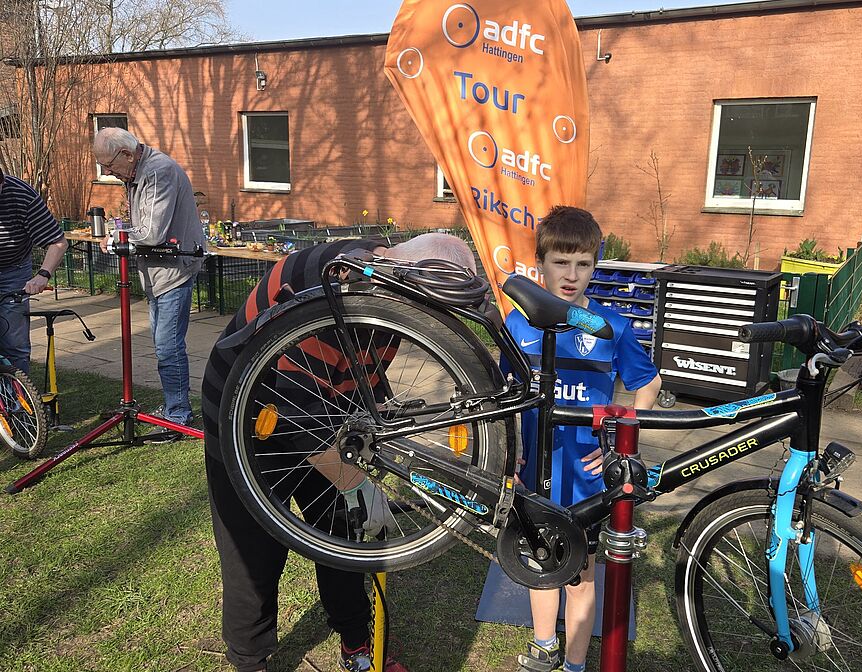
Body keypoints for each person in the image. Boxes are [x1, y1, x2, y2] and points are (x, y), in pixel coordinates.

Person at [202, 233, 477, 672]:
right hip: (245, 416)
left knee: (345, 538)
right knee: (252, 556)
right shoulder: (324, 287)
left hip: (318, 411)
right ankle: (250, 660)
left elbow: (363, 374)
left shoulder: (389, 295)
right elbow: (299, 411)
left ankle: (357, 643)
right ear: (399, 274)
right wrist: (356, 484)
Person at [504, 206, 661, 672]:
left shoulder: (612, 328)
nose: (571, 276)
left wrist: (620, 441)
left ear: (595, 265)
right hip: (536, 470)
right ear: (540, 264)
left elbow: (647, 384)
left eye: (584, 264)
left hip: (589, 476)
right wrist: (509, 453)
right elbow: (504, 398)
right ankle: (543, 646)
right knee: (540, 562)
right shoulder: (518, 326)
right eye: (560, 262)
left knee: (581, 573)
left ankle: (574, 661)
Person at [91, 128, 206, 434]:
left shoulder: (157, 171)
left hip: (173, 270)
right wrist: (123, 233)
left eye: (110, 166)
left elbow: (153, 233)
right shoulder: (137, 173)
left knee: (168, 347)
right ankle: (173, 406)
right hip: (157, 272)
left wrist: (118, 235)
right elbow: (144, 225)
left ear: (127, 154)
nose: (109, 173)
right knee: (162, 344)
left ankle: (178, 415)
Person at [0, 170, 69, 373]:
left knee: (14, 342)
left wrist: (42, 275)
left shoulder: (22, 195)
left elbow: (58, 242)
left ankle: (18, 401)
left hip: (13, 270)